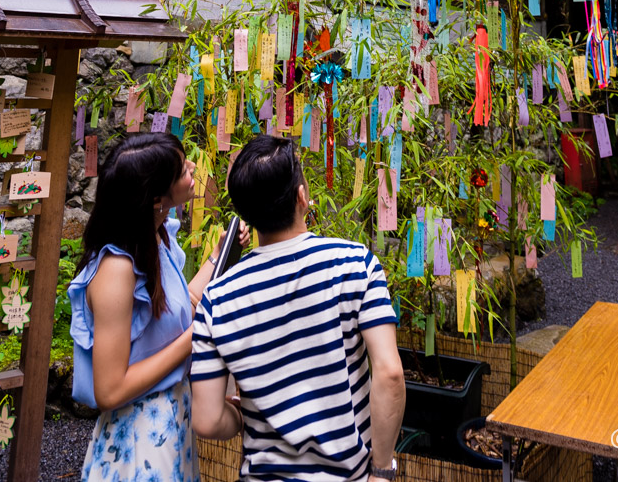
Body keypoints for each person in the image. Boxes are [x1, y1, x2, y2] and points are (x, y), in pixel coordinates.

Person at [190, 134, 406, 482]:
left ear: (244, 213)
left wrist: (247, 414)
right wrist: (381, 470)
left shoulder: (216, 298)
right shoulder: (354, 264)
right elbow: (390, 374)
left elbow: (207, 420)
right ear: (302, 197)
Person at [69, 131, 247, 482]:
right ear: (155, 198)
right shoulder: (116, 271)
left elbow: (180, 310)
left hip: (170, 426)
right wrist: (195, 336)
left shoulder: (154, 236)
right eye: (182, 169)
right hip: (139, 443)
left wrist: (216, 259)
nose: (193, 166)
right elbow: (109, 390)